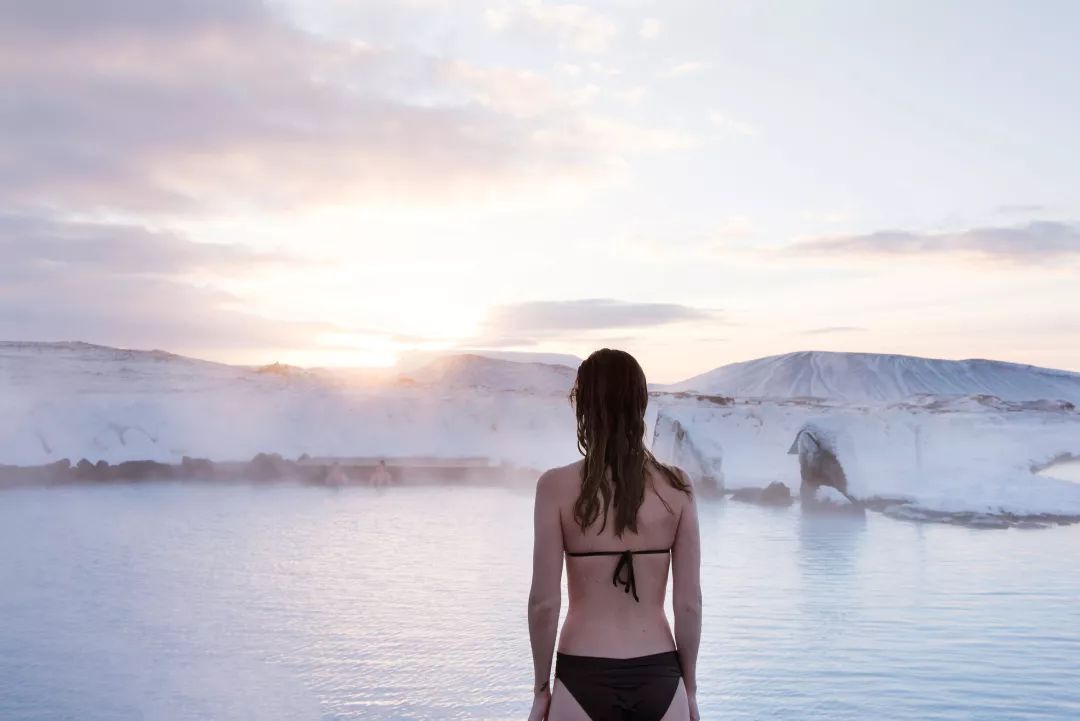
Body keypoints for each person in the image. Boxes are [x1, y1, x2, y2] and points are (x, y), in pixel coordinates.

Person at [527, 348, 702, 721]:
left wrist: (542, 689)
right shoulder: (678, 487)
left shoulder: (555, 487)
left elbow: (544, 603)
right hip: (660, 673)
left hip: (582, 672)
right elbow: (688, 604)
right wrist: (689, 689)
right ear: (640, 403)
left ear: (584, 406)